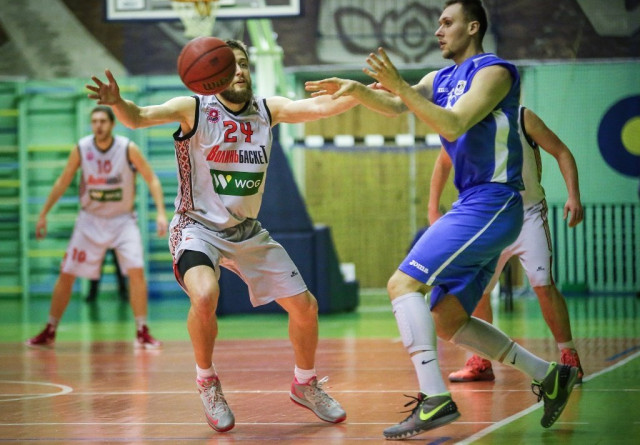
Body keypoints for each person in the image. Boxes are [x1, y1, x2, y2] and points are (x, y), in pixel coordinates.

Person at [306, 0, 579, 439]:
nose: (438, 30)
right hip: (474, 201)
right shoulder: (439, 79)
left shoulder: (496, 72)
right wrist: (357, 90)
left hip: (494, 200)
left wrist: (401, 85)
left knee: (402, 285)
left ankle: (435, 399)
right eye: (438, 23)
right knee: (449, 319)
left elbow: (453, 124)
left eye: (447, 22)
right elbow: (395, 106)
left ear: (473, 27)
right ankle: (550, 376)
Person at [86, 39, 358, 433]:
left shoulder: (267, 110)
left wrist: (362, 92)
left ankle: (305, 383)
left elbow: (319, 108)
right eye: (231, 66)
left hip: (247, 232)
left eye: (244, 64)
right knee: (204, 294)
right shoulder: (193, 109)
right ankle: (207, 381)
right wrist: (117, 103)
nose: (240, 71)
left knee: (306, 308)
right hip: (196, 227)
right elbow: (139, 117)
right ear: (214, 76)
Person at [429, 106, 585, 384]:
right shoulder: (465, 119)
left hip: (527, 214)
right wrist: (432, 209)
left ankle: (569, 355)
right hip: (488, 218)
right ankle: (481, 360)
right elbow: (443, 162)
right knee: (479, 291)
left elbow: (562, 152)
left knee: (542, 284)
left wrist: (574, 196)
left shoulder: (523, 117)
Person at [26, 105, 168, 349]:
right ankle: (50, 329)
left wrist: (161, 213)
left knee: (136, 271)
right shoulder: (82, 148)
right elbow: (63, 181)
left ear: (112, 124)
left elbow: (152, 179)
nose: (98, 125)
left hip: (122, 221)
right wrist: (43, 213)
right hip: (90, 220)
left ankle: (142, 330)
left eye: (103, 121)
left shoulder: (127, 148)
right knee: (67, 273)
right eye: (94, 121)